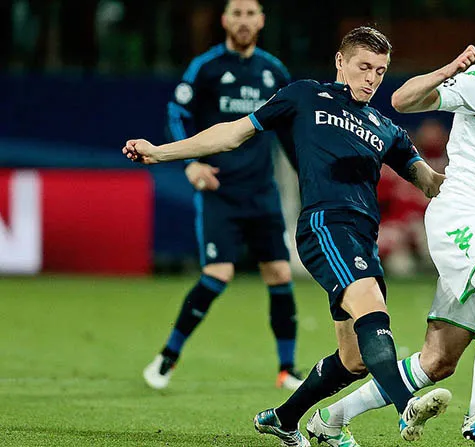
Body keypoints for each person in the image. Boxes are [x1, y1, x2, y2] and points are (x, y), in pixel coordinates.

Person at [123, 26, 451, 446]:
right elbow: (233, 133)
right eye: (364, 67)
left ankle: (282, 418)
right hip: (325, 225)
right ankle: (407, 408)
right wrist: (161, 152)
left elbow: (428, 181)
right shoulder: (305, 96)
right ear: (340, 61)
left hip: (362, 238)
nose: (371, 78)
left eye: (380, 71)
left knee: (353, 359)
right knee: (372, 306)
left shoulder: (386, 128)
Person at [305, 8, 475, 445]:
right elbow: (401, 101)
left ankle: (329, 418)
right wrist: (450, 70)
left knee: (439, 359)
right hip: (460, 215)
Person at [141, 0, 303, 392]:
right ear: (225, 20)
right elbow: (177, 113)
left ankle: (287, 370)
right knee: (218, 273)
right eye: (238, 13)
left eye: (251, 14)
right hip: (219, 191)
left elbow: (289, 131)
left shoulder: (273, 71)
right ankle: (167, 357)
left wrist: (310, 176)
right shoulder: (206, 67)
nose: (244, 21)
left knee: (279, 273)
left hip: (262, 192)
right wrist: (191, 164)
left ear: (262, 20)